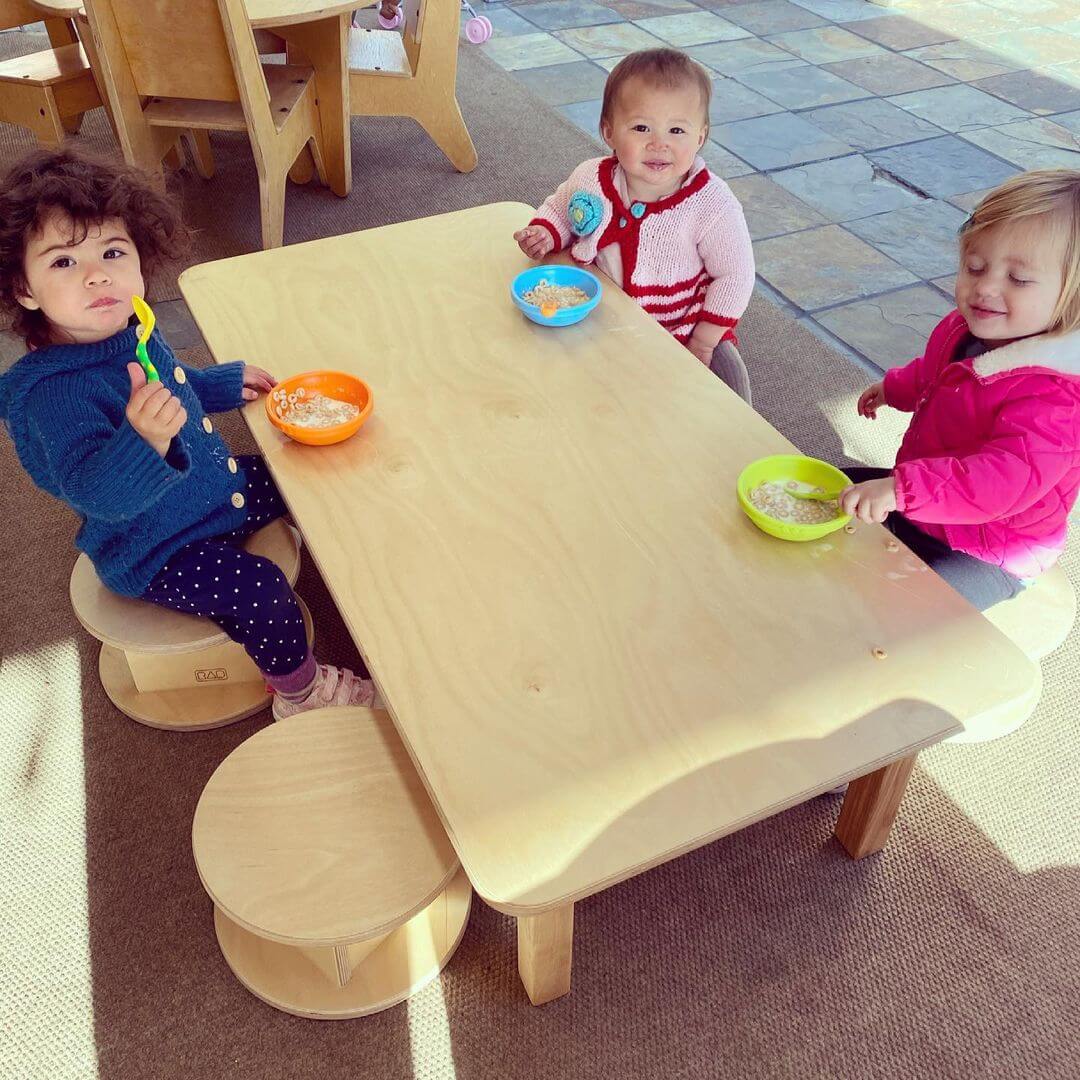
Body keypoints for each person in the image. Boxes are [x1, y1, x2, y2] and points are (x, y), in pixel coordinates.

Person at [0, 148, 379, 718]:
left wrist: (217, 386)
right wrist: (143, 441)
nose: (98, 274)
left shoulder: (132, 328)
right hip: (157, 548)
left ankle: (350, 562)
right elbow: (93, 493)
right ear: (23, 289)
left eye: (111, 251)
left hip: (208, 493)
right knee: (260, 590)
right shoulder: (51, 397)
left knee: (299, 470)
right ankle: (301, 694)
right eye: (62, 263)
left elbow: (172, 390)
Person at [841, 169, 1080, 610]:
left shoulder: (1057, 398)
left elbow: (1000, 483)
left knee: (904, 612)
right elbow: (938, 376)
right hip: (925, 500)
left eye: (1019, 279)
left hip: (989, 549)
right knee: (827, 489)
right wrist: (894, 388)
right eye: (975, 266)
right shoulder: (966, 328)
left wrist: (899, 491)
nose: (985, 287)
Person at [514, 48, 756, 403]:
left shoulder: (711, 204)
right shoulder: (590, 179)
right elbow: (562, 207)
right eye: (641, 127)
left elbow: (736, 275)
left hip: (683, 330)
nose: (659, 143)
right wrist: (544, 232)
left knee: (726, 392)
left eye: (677, 130)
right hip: (604, 320)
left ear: (700, 137)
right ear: (609, 132)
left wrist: (704, 341)